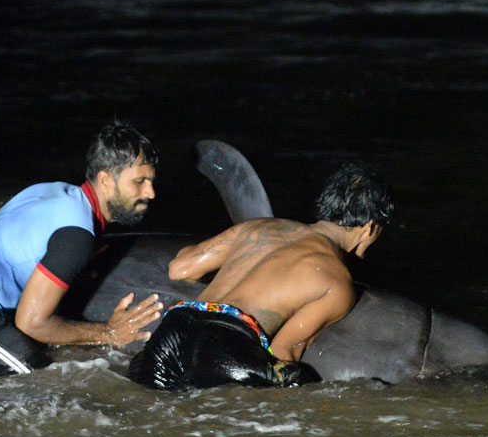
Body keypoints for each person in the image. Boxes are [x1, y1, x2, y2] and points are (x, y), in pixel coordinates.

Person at [0, 121, 163, 376]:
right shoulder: (77, 234)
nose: (150, 192)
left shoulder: (52, 191)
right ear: (106, 180)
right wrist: (109, 333)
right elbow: (32, 323)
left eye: (151, 181)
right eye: (139, 181)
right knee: (40, 375)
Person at [127, 161, 395, 390]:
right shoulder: (336, 281)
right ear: (372, 227)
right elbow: (284, 351)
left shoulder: (258, 228)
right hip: (226, 349)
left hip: (173, 331)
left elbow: (180, 268)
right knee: (297, 378)